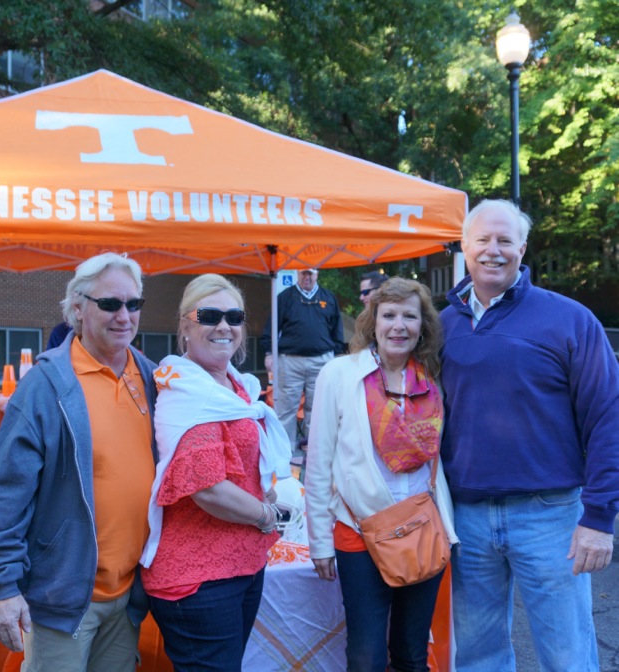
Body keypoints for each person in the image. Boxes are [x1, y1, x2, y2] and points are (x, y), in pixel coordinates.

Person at [440, 199, 619, 671]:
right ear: (464, 246)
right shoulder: (441, 327)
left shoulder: (570, 320)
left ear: (522, 247)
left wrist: (599, 517)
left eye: (504, 240)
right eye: (483, 240)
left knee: (568, 656)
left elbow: (608, 415)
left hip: (551, 516)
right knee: (478, 657)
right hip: (467, 519)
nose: (493, 250)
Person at [0, 252, 156, 672]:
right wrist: (2, 585)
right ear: (78, 308)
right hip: (62, 598)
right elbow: (5, 492)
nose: (124, 315)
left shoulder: (151, 376)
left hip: (128, 596)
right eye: (110, 304)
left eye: (133, 304)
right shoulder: (45, 386)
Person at [139, 273, 292, 672]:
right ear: (185, 326)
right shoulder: (188, 391)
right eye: (209, 315)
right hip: (200, 581)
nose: (224, 326)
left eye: (234, 316)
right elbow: (208, 489)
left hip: (239, 565)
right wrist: (267, 516)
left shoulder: (235, 387)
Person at [305, 277, 458, 672]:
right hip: (359, 532)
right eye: (389, 315)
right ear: (373, 321)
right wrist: (319, 541)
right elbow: (318, 464)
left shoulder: (431, 379)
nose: (399, 325)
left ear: (422, 326)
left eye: (410, 316)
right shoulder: (339, 374)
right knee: (366, 655)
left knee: (411, 652)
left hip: (422, 528)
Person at [260, 268, 344, 448]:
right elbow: (272, 327)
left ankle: (314, 451)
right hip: (290, 361)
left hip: (322, 361)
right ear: (298, 274)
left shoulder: (328, 297)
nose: (307, 277)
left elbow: (337, 329)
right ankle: (284, 453)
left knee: (318, 410)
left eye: (310, 273)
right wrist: (268, 353)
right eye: (303, 273)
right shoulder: (285, 297)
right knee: (286, 410)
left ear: (317, 274)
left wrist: (337, 356)